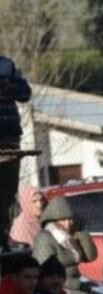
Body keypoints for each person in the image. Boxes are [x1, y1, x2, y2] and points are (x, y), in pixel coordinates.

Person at [0, 55, 32, 251]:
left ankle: (4, 238)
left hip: (10, 137)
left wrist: (9, 87)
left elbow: (25, 93)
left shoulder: (6, 65)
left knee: (8, 193)